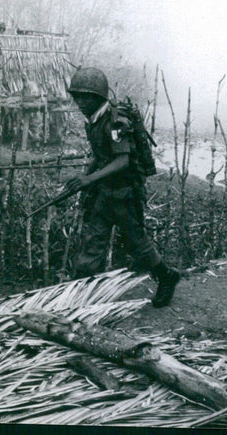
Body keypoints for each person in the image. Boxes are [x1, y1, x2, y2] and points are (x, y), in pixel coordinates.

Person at [65, 67, 180, 307]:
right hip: (105, 192)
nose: (82, 102)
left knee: (137, 243)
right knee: (93, 241)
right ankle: (80, 297)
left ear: (99, 97)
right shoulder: (94, 121)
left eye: (87, 97)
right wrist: (85, 177)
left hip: (124, 193)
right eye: (78, 97)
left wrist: (90, 179)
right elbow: (101, 154)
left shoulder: (115, 122)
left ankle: (167, 276)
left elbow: (122, 160)